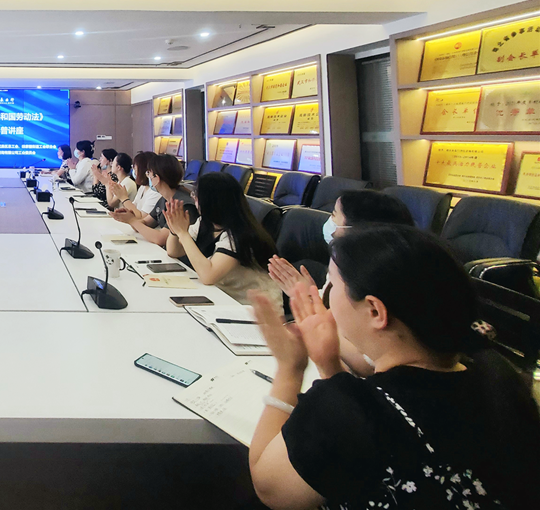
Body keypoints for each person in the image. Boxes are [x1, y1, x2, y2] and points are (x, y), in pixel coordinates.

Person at [248, 225, 540, 510]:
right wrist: (329, 365)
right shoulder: (501, 381)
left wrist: (290, 369)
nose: (326, 296)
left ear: (375, 311)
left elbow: (270, 488)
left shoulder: (343, 409)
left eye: (333, 284)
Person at [162, 171, 281, 308]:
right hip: (224, 298)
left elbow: (208, 276)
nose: (193, 198)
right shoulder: (206, 223)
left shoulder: (239, 235)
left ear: (211, 201)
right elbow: (174, 251)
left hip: (256, 310)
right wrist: (175, 230)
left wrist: (183, 233)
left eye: (196, 195)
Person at [270, 189, 416, 290]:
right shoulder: (341, 261)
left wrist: (307, 297)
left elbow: (337, 321)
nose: (329, 220)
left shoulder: (370, 282)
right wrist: (310, 293)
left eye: (334, 215)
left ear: (356, 229)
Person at [108, 153, 184, 246]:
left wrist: (132, 220)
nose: (148, 177)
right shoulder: (164, 199)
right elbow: (145, 222)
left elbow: (160, 238)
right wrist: (129, 217)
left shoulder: (181, 203)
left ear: (157, 178)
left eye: (149, 173)